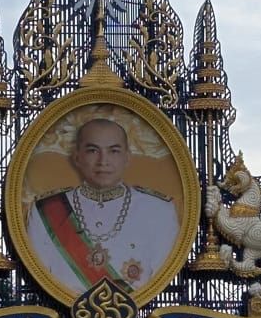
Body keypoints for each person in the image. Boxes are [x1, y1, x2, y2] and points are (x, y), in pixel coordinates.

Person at [25, 118, 179, 295]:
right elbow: (40, 280)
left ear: (127, 157)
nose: (102, 161)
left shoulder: (159, 210)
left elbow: (161, 282)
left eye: (113, 151)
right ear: (77, 157)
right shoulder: (46, 209)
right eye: (92, 151)